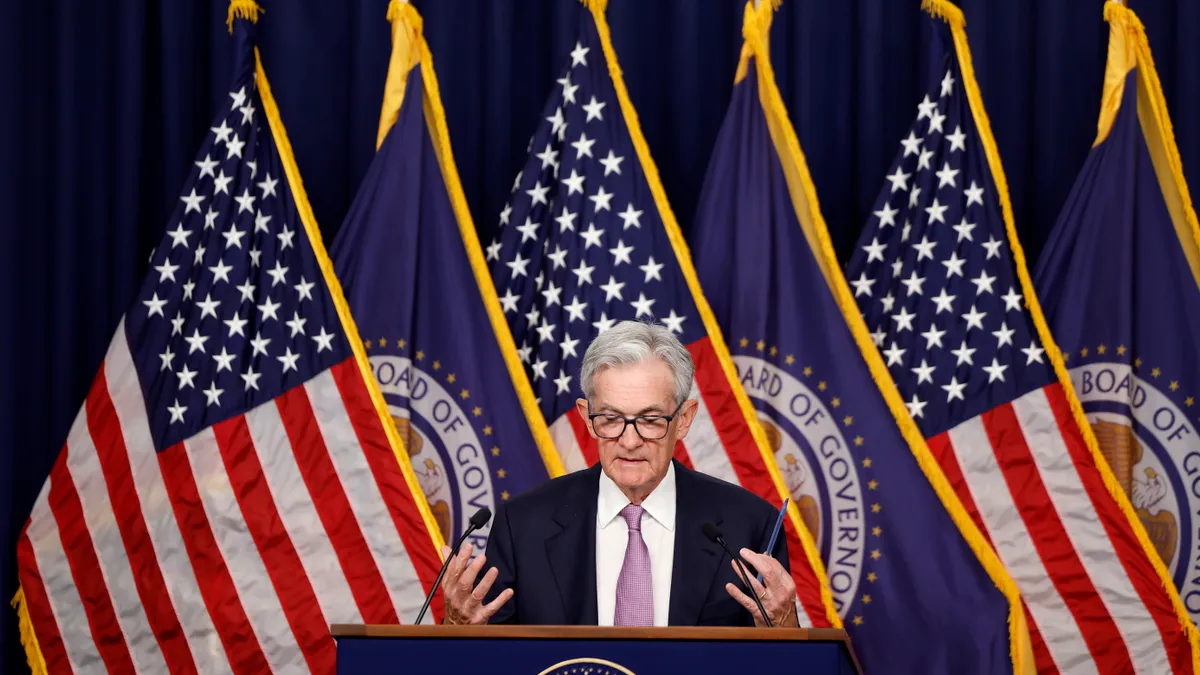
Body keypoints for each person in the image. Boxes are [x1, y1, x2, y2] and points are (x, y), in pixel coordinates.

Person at [438, 320, 798, 627]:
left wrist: (784, 625)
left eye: (650, 420)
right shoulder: (523, 525)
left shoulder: (747, 525)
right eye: (610, 419)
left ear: (684, 419)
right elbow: (488, 659)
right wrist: (457, 628)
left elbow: (781, 662)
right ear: (586, 416)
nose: (629, 441)